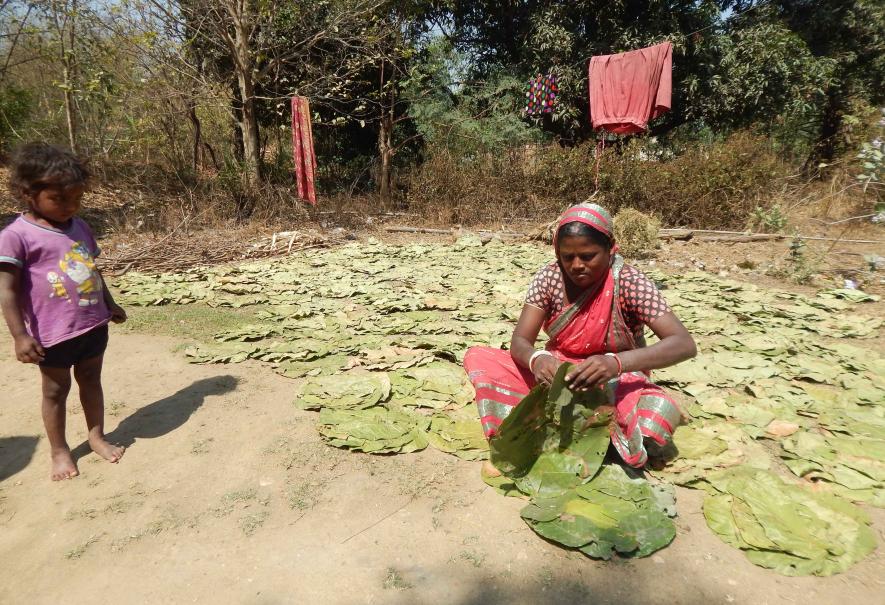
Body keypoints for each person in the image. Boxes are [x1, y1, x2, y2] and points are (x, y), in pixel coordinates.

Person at [463, 202, 696, 471]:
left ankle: (584, 433)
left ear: (611, 248)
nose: (576, 265)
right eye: (567, 257)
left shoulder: (629, 282)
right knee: (480, 358)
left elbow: (683, 344)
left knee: (657, 409)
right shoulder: (550, 279)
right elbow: (520, 342)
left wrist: (614, 364)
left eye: (588, 256)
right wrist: (537, 359)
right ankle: (591, 435)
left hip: (615, 379)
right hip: (558, 377)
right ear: (557, 253)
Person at [0, 142, 127, 481]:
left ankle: (96, 436)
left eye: (76, 199)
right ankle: (59, 450)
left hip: (92, 325)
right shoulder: (16, 237)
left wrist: (109, 302)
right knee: (55, 391)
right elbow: (7, 290)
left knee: (91, 380)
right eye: (59, 199)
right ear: (29, 192)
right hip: (53, 335)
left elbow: (91, 269)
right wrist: (19, 335)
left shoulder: (80, 226)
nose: (70, 207)